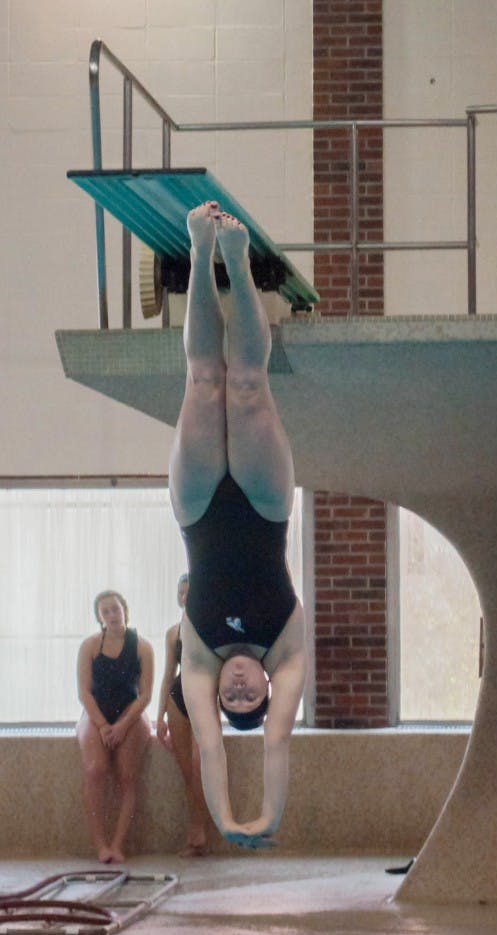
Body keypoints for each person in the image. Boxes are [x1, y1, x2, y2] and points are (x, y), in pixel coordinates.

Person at [169, 200, 307, 850]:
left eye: (237, 700)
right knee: (246, 384)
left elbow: (207, 743)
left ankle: (200, 254)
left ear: (223, 694)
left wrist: (224, 815)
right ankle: (238, 263)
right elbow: (277, 738)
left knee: (202, 382)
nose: (246, 688)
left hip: (196, 511)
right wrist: (266, 817)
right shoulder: (287, 648)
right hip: (265, 505)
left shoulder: (195, 661)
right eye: (256, 696)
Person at [76, 590, 154, 863]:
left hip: (131, 714)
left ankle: (118, 844)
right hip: (96, 713)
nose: (111, 615)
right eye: (105, 611)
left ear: (125, 610)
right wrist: (102, 725)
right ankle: (101, 845)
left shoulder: (142, 647)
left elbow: (145, 695)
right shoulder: (89, 646)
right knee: (95, 770)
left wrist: (121, 726)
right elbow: (84, 692)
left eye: (115, 609)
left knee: (127, 776)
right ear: (99, 617)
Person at [156, 573, 211, 856]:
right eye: (182, 592)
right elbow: (168, 676)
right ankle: (196, 833)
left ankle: (201, 831)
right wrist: (159, 716)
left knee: (199, 766)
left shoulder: (214, 628)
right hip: (178, 700)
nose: (185, 597)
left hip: (204, 700)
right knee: (187, 772)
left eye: (191, 591)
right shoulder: (172, 633)